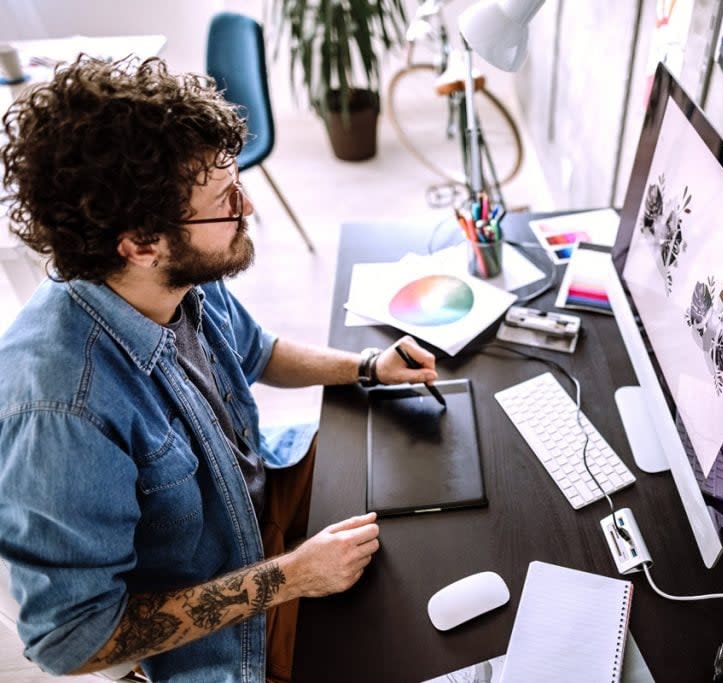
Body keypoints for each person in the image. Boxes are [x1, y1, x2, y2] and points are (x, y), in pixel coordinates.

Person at [0, 56, 438, 682]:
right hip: (228, 628)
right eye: (225, 199)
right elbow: (71, 641)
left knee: (426, 490)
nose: (248, 207)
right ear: (141, 242)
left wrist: (368, 365)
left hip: (259, 507)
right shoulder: (61, 410)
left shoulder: (169, 277)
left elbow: (257, 351)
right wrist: (291, 577)